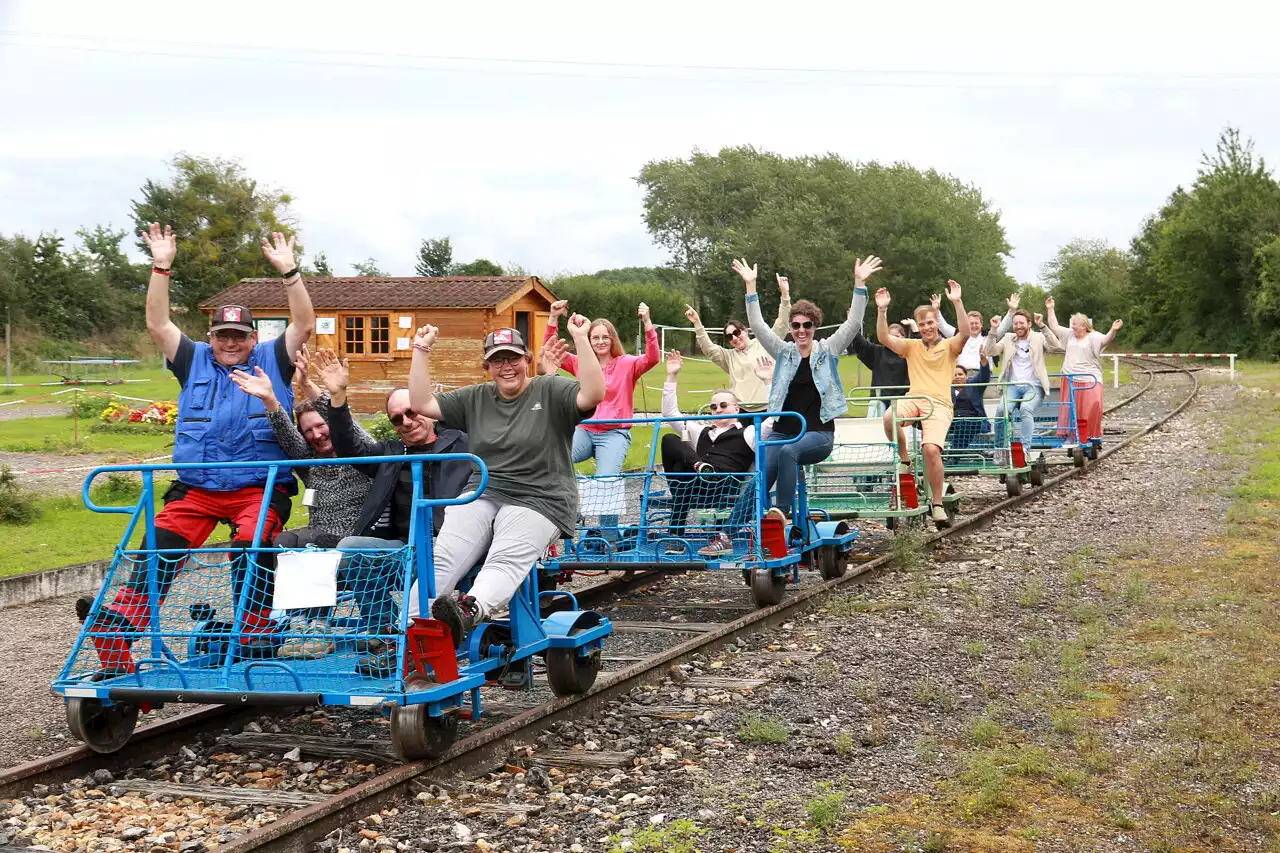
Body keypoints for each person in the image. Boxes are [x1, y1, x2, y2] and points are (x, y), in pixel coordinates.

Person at [78, 225, 314, 671]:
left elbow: (303, 323)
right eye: (222, 334)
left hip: (258, 487)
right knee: (159, 543)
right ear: (211, 337)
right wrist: (161, 265)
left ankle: (256, 625)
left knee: (252, 542)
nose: (230, 342)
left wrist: (290, 273)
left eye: (239, 335)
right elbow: (156, 323)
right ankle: (122, 621)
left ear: (253, 337)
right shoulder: (192, 360)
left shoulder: (272, 360)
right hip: (198, 487)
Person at [386, 320, 604, 665]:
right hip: (484, 490)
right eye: (498, 360)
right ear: (487, 366)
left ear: (526, 360)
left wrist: (580, 339)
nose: (507, 367)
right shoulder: (476, 397)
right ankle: (405, 632)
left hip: (541, 496)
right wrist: (421, 350)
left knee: (505, 556)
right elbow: (422, 403)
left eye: (513, 358)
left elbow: (592, 394)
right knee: (443, 556)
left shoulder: (549, 389)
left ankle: (470, 610)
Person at [299, 348, 470, 665]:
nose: (406, 421)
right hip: (405, 546)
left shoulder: (462, 442)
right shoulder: (392, 453)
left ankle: (422, 630)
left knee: (429, 553)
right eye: (397, 418)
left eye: (411, 412)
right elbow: (350, 444)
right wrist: (337, 397)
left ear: (425, 409)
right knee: (352, 547)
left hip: (450, 543)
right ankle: (384, 630)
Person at [708, 255, 879, 556]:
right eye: (796, 325)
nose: (801, 330)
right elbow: (757, 325)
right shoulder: (783, 352)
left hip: (817, 433)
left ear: (815, 326)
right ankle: (727, 534)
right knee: (758, 478)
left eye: (807, 325)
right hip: (783, 431)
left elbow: (853, 324)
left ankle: (780, 512)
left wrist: (859, 284)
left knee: (788, 452)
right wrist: (751, 286)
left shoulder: (829, 350)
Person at [228, 346, 375, 659]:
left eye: (321, 426)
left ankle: (317, 626)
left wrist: (316, 390)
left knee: (313, 546)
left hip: (354, 535)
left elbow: (345, 423)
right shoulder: (310, 462)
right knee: (286, 541)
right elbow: (285, 431)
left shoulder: (360, 453)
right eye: (309, 431)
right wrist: (270, 400)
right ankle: (299, 623)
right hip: (318, 535)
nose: (317, 435)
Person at [542, 299, 659, 540]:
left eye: (605, 337)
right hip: (584, 430)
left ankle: (609, 537)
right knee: (554, 458)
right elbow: (549, 352)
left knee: (606, 480)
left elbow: (652, 358)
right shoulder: (580, 363)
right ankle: (568, 512)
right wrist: (553, 318)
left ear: (612, 339)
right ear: (589, 340)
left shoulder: (626, 364)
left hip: (614, 433)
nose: (600, 342)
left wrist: (647, 322)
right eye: (595, 338)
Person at [874, 280, 969, 528]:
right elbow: (883, 337)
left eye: (930, 323)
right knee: (888, 418)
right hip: (915, 397)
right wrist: (882, 310)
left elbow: (965, 333)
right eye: (923, 324)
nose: (927, 327)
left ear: (936, 323)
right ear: (919, 326)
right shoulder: (912, 347)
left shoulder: (949, 346)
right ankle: (905, 460)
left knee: (930, 449)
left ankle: (937, 504)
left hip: (939, 403)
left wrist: (957, 302)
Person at [659, 349, 774, 539]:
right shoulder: (702, 432)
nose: (718, 410)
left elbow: (773, 420)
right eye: (713, 407)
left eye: (723, 406)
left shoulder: (748, 432)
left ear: (736, 409)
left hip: (725, 482)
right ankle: (699, 465)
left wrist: (768, 381)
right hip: (698, 480)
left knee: (681, 472)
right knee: (669, 440)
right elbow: (670, 414)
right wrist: (671, 375)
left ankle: (675, 536)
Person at [683, 274, 791, 406]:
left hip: (769, 408)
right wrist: (697, 323)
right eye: (729, 336)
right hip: (741, 411)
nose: (734, 337)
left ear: (745, 330)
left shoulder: (766, 343)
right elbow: (709, 349)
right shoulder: (728, 357)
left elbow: (782, 323)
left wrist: (785, 295)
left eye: (736, 332)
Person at [1044, 297, 1123, 446]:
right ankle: (1072, 435)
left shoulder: (1093, 337)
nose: (1072, 327)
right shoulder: (1069, 335)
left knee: (1093, 406)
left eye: (1075, 324)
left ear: (1084, 326)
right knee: (1071, 409)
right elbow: (1054, 326)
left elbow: (1106, 340)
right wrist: (1050, 308)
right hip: (1070, 377)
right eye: (1072, 324)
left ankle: (1092, 435)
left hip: (1090, 377)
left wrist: (1113, 329)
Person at [985, 292, 1054, 457]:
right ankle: (1000, 450)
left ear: (1029, 324)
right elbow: (990, 351)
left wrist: (1043, 326)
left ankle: (1025, 449)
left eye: (1022, 323)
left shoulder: (1038, 337)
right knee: (1001, 411)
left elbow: (1055, 345)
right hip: (1013, 387)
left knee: (1025, 409)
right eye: (1015, 324)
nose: (1018, 326)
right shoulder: (1009, 338)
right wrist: (994, 330)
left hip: (1034, 386)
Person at [850, 323, 909, 418]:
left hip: (902, 398)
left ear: (903, 337)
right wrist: (853, 323)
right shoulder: (878, 352)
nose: (894, 339)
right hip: (879, 397)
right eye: (891, 336)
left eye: (897, 336)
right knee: (874, 416)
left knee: (902, 420)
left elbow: (922, 348)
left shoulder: (908, 354)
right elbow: (860, 344)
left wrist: (915, 329)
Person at [948, 353, 992, 449]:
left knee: (964, 424)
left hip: (973, 421)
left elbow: (984, 376)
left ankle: (954, 454)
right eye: (954, 375)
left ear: (966, 376)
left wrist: (984, 362)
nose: (958, 377)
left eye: (960, 374)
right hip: (951, 421)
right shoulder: (946, 389)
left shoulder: (974, 386)